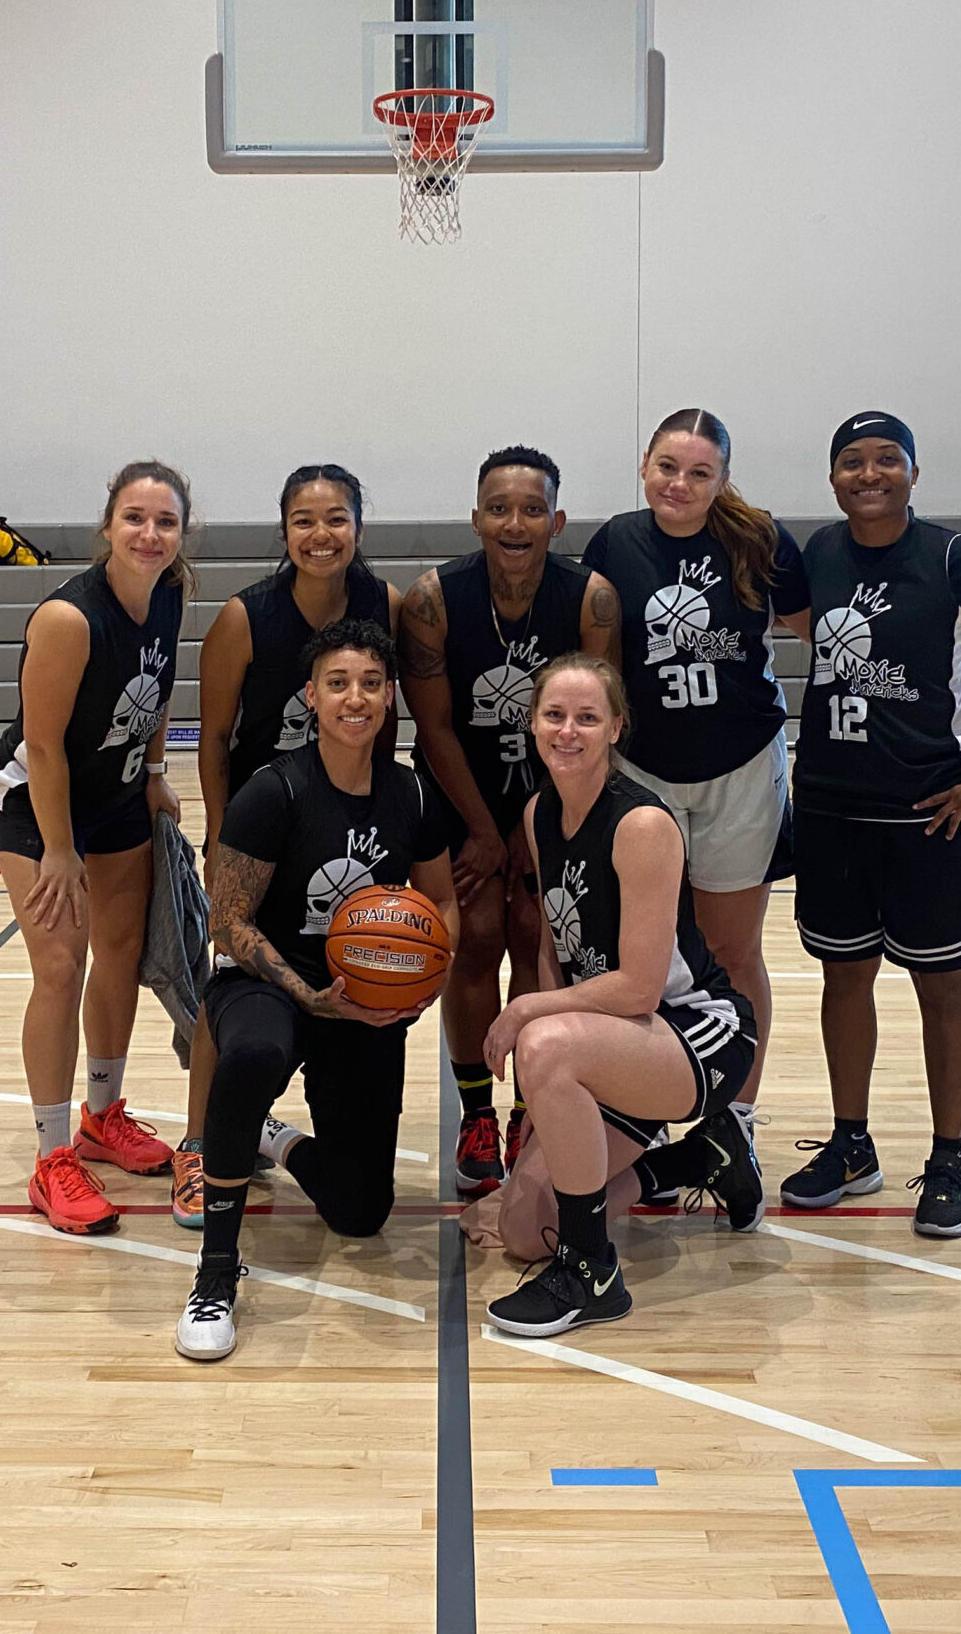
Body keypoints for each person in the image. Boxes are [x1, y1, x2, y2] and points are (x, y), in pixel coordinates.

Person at [778, 412, 961, 1238]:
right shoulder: (817, 556)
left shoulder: (958, 558)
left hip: (933, 811)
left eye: (886, 460)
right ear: (831, 477)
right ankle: (852, 1144)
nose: (868, 474)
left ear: (914, 472)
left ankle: (948, 1157)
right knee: (845, 979)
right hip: (835, 805)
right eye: (851, 461)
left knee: (942, 987)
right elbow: (822, 634)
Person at [176, 618, 458, 1361]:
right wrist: (309, 994)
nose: (354, 698)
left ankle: (277, 1138)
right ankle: (214, 1273)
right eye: (338, 683)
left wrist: (424, 983)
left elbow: (442, 905)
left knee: (361, 1214)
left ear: (390, 694)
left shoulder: (411, 794)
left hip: (361, 1000)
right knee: (251, 1060)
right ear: (311, 695)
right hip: (268, 984)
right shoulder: (275, 790)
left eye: (370, 682)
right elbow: (226, 921)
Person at [469, 654, 760, 1338]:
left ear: (616, 729)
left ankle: (592, 1272)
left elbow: (639, 987)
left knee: (541, 1039)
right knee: (522, 1228)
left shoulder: (642, 826)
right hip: (611, 1042)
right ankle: (698, 1159)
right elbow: (550, 950)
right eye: (555, 716)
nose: (569, 731)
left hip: (695, 1036)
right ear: (533, 723)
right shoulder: (541, 813)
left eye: (588, 718)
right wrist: (546, 1099)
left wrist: (526, 1017)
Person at [171, 465, 399, 1228]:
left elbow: (399, 722)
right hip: (263, 828)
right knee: (230, 975)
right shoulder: (245, 618)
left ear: (359, 528)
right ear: (284, 531)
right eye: (304, 520)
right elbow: (213, 737)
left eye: (336, 518)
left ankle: (285, 1128)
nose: (321, 534)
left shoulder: (386, 606)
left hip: (342, 821)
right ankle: (201, 1147)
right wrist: (215, 830)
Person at [580, 409, 807, 1169]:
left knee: (734, 950)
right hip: (645, 770)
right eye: (667, 468)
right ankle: (648, 1107)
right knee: (649, 953)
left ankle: (733, 1122)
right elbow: (597, 650)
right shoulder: (615, 541)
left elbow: (824, 626)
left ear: (722, 480)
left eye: (699, 473)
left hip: (741, 766)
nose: (680, 485)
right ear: (644, 464)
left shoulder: (760, 541)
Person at [398, 447, 619, 1199]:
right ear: (476, 519)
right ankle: (475, 1114)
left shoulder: (590, 599)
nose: (514, 522)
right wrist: (488, 833)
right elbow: (434, 729)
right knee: (477, 933)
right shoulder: (433, 601)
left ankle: (530, 1105)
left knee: (537, 933)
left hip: (557, 796)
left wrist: (538, 831)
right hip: (461, 795)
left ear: (556, 520)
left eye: (531, 509)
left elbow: (590, 722)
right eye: (498, 508)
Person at [0, 460, 192, 1235]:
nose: (149, 533)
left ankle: (102, 1117)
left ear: (181, 534)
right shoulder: (68, 620)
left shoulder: (171, 592)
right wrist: (61, 850)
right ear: (107, 526)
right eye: (134, 518)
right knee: (61, 964)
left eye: (164, 522)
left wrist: (159, 773)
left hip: (116, 790)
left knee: (124, 952)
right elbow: (42, 747)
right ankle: (50, 1158)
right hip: (43, 800)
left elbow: (160, 688)